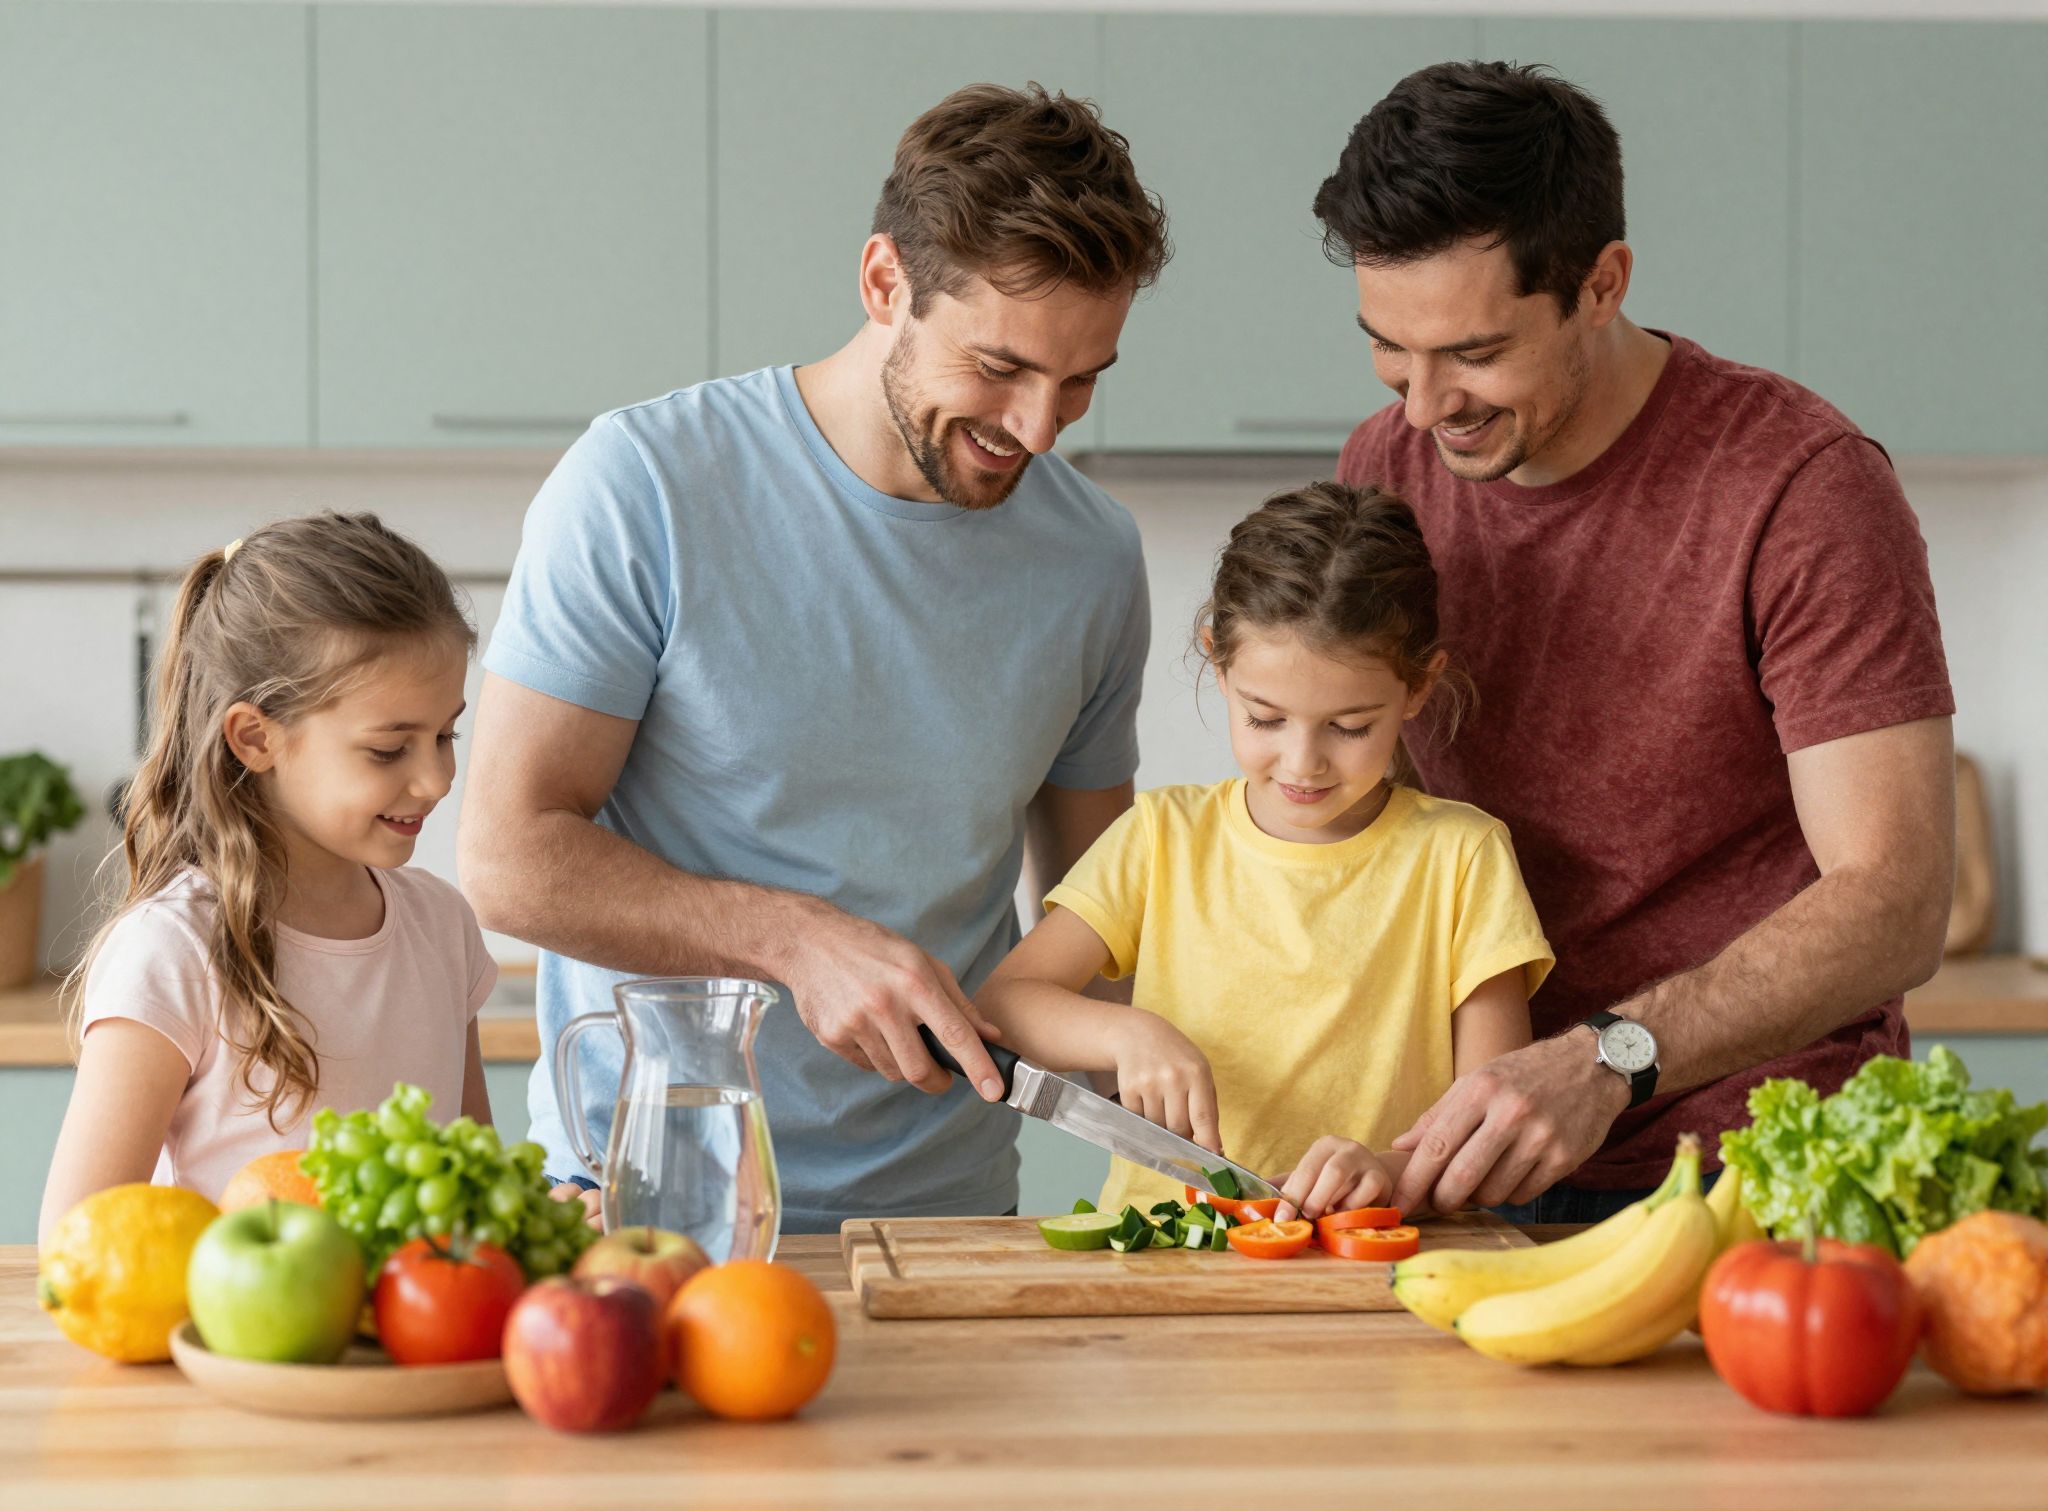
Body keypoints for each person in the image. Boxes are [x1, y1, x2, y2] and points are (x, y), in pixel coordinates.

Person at [459, 84, 1170, 1233]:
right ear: (884, 282)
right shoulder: (646, 484)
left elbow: (1099, 917)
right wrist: (796, 942)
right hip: (645, 1199)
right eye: (998, 367)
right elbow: (506, 860)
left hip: (950, 1212)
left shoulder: (1090, 557)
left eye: (1081, 379)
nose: (1039, 430)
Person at [1313, 61, 1956, 1222]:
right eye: (1385, 348)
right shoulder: (1387, 469)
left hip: (1765, 1163)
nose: (1420, 406)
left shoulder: (1799, 487)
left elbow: (1896, 896)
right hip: (1479, 1150)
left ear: (1599, 284)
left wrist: (1607, 1058)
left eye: (1472, 352)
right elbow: (1380, 826)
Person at [975, 481, 1553, 1220]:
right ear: (1217, 665)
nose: (1302, 764)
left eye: (1349, 727)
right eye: (1265, 717)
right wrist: (1128, 1031)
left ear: (1419, 687)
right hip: (1169, 1252)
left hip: (1371, 1258)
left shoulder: (1463, 858)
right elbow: (1005, 1001)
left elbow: (1487, 1122)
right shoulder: (1163, 836)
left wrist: (1387, 1168)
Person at [39, 514, 495, 1244]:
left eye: (446, 735)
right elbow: (79, 1242)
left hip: (402, 1354)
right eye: (389, 750)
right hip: (236, 1354)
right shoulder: (172, 951)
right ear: (256, 738)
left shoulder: (442, 926)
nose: (438, 778)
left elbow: (472, 1192)